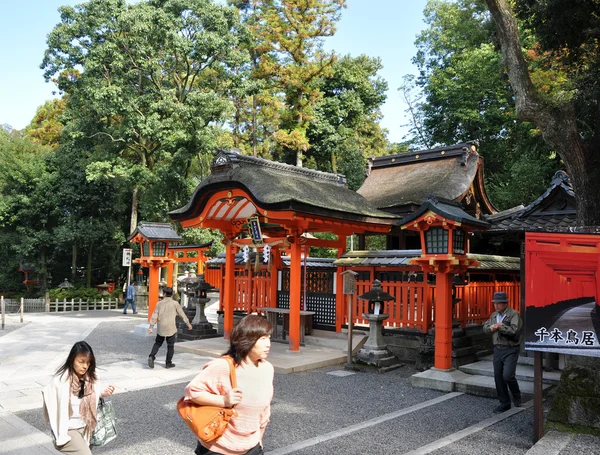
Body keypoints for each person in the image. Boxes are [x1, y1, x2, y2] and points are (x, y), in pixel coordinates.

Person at [184, 314, 273, 455]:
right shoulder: (223, 366)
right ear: (247, 340)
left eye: (268, 338)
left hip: (252, 447)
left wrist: (259, 438)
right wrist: (223, 400)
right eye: (262, 339)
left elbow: (265, 410)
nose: (268, 344)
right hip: (218, 447)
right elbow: (192, 392)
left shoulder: (267, 369)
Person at [42, 341, 115, 455]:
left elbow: (88, 396)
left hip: (85, 428)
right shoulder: (61, 381)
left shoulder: (91, 379)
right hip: (68, 430)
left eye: (88, 362)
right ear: (72, 360)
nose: (85, 366)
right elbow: (50, 398)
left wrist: (101, 393)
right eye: (81, 362)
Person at [483, 291, 523, 413]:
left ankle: (516, 396)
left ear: (505, 303)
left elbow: (514, 331)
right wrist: (490, 328)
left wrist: (500, 327)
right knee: (498, 377)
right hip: (497, 349)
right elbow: (485, 328)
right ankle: (504, 403)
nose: (496, 306)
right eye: (495, 303)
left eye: (499, 303)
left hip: (510, 348)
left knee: (508, 375)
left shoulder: (514, 314)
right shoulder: (494, 315)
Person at [147, 286, 192, 369]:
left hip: (161, 327)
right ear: (171, 294)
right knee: (170, 346)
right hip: (171, 327)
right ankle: (168, 363)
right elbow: (182, 314)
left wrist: (151, 327)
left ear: (164, 294)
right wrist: (188, 323)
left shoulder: (159, 303)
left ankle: (151, 356)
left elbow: (154, 315)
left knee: (157, 343)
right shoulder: (175, 303)